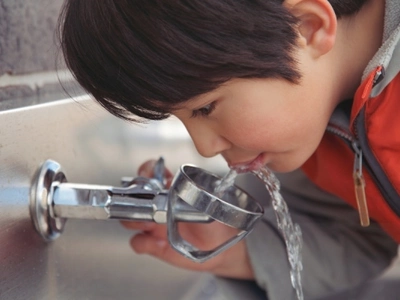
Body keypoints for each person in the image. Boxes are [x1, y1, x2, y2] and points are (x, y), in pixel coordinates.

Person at [58, 0, 400, 299]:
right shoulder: (320, 122)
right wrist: (235, 251)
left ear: (308, 27)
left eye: (205, 108)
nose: (205, 148)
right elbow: (361, 240)